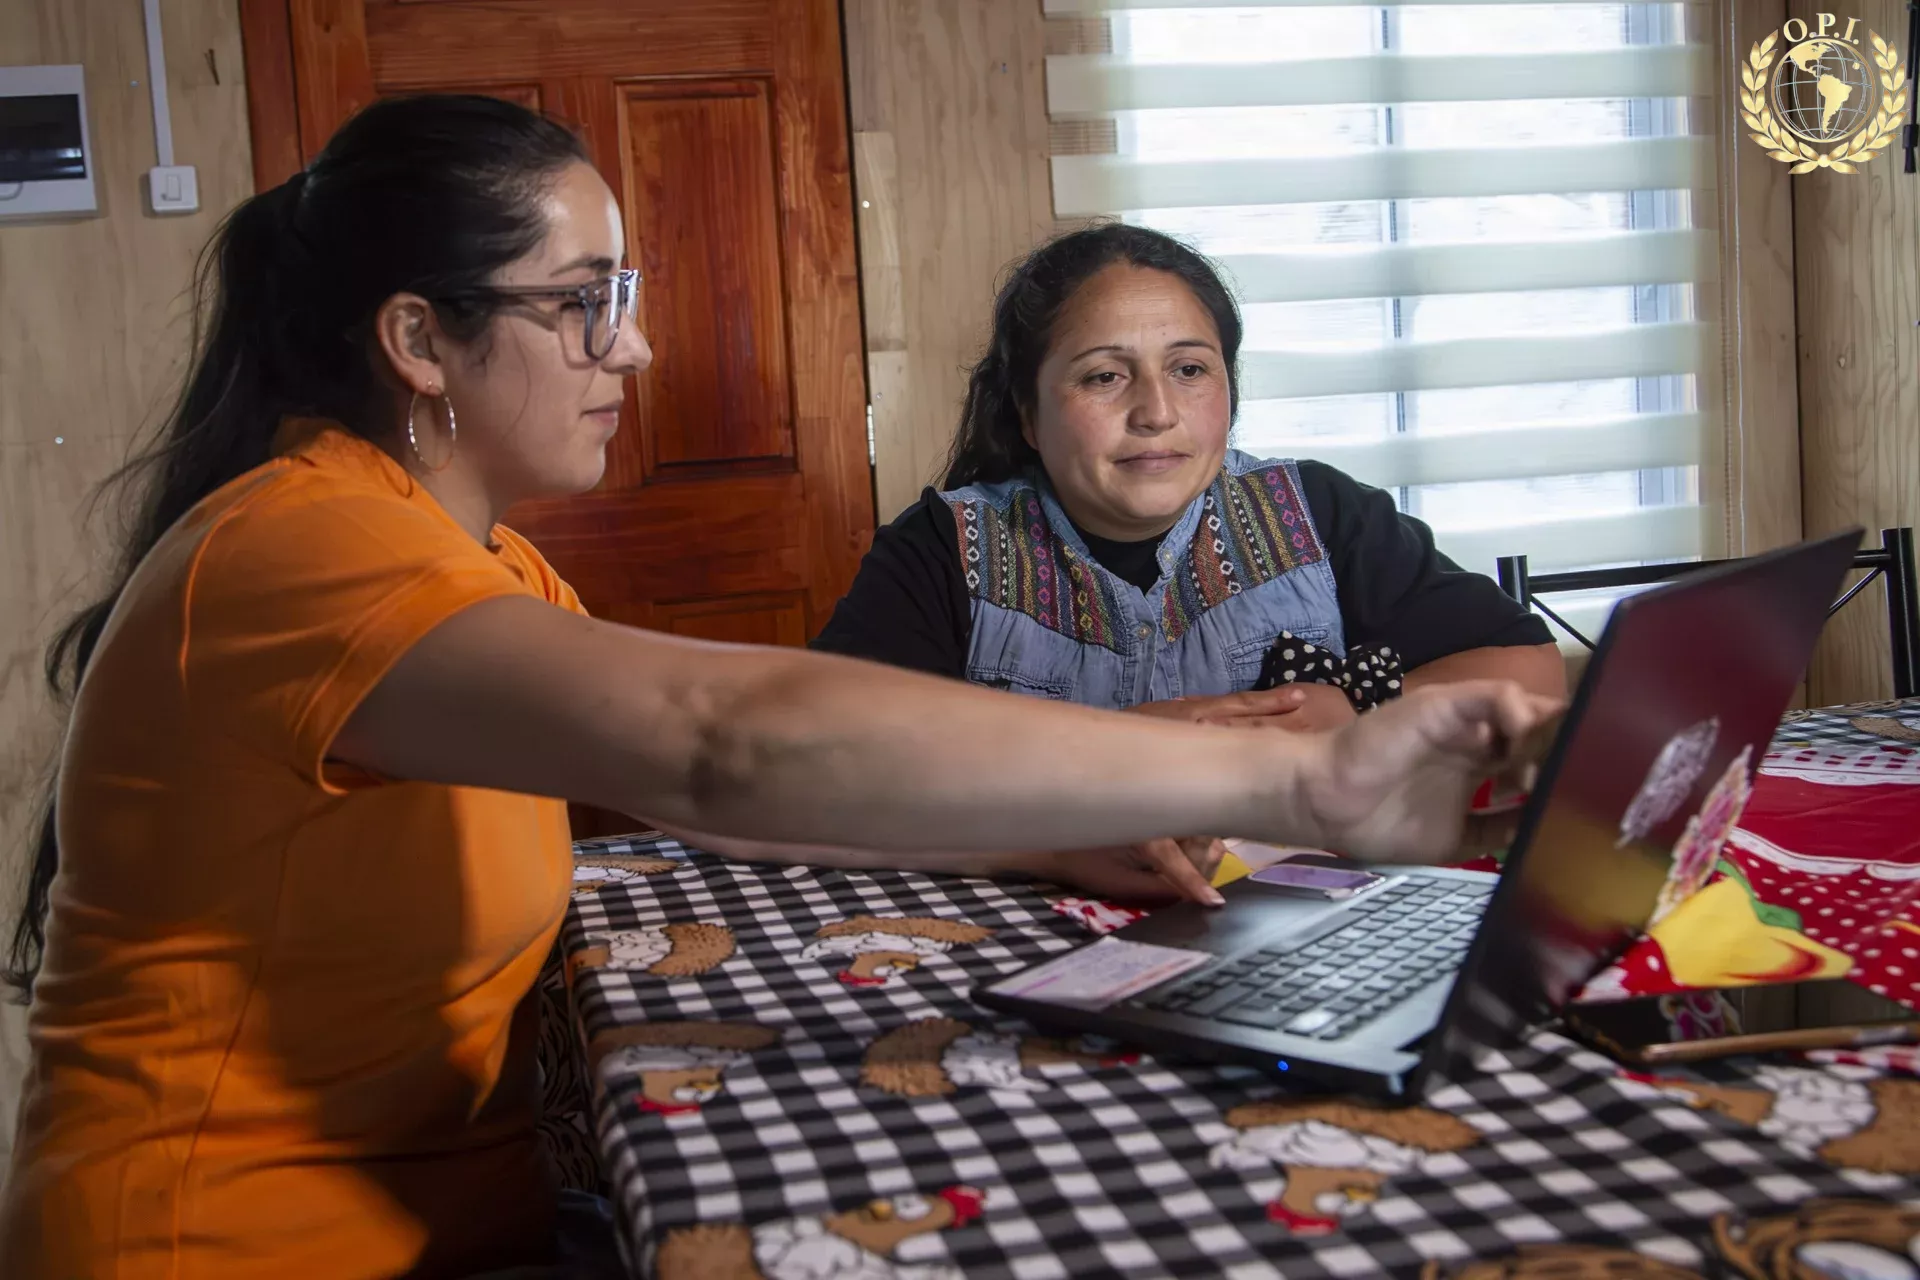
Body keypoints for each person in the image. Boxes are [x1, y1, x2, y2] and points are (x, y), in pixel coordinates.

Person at [0, 96, 1556, 1279]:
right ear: (419, 339)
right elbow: (719, 744)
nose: (634, 347)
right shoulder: (300, 553)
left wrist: (1039, 835)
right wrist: (1299, 779)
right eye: (584, 300)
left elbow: (717, 795)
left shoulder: (475, 565)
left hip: (451, 1213)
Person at [805, 223, 1568, 877]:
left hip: (1297, 929)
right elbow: (830, 766)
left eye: (1189, 369)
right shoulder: (943, 549)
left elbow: (1525, 666)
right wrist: (1112, 759)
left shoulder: (1319, 512)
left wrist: (1357, 711)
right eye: (1105, 376)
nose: (1156, 412)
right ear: (1028, 415)